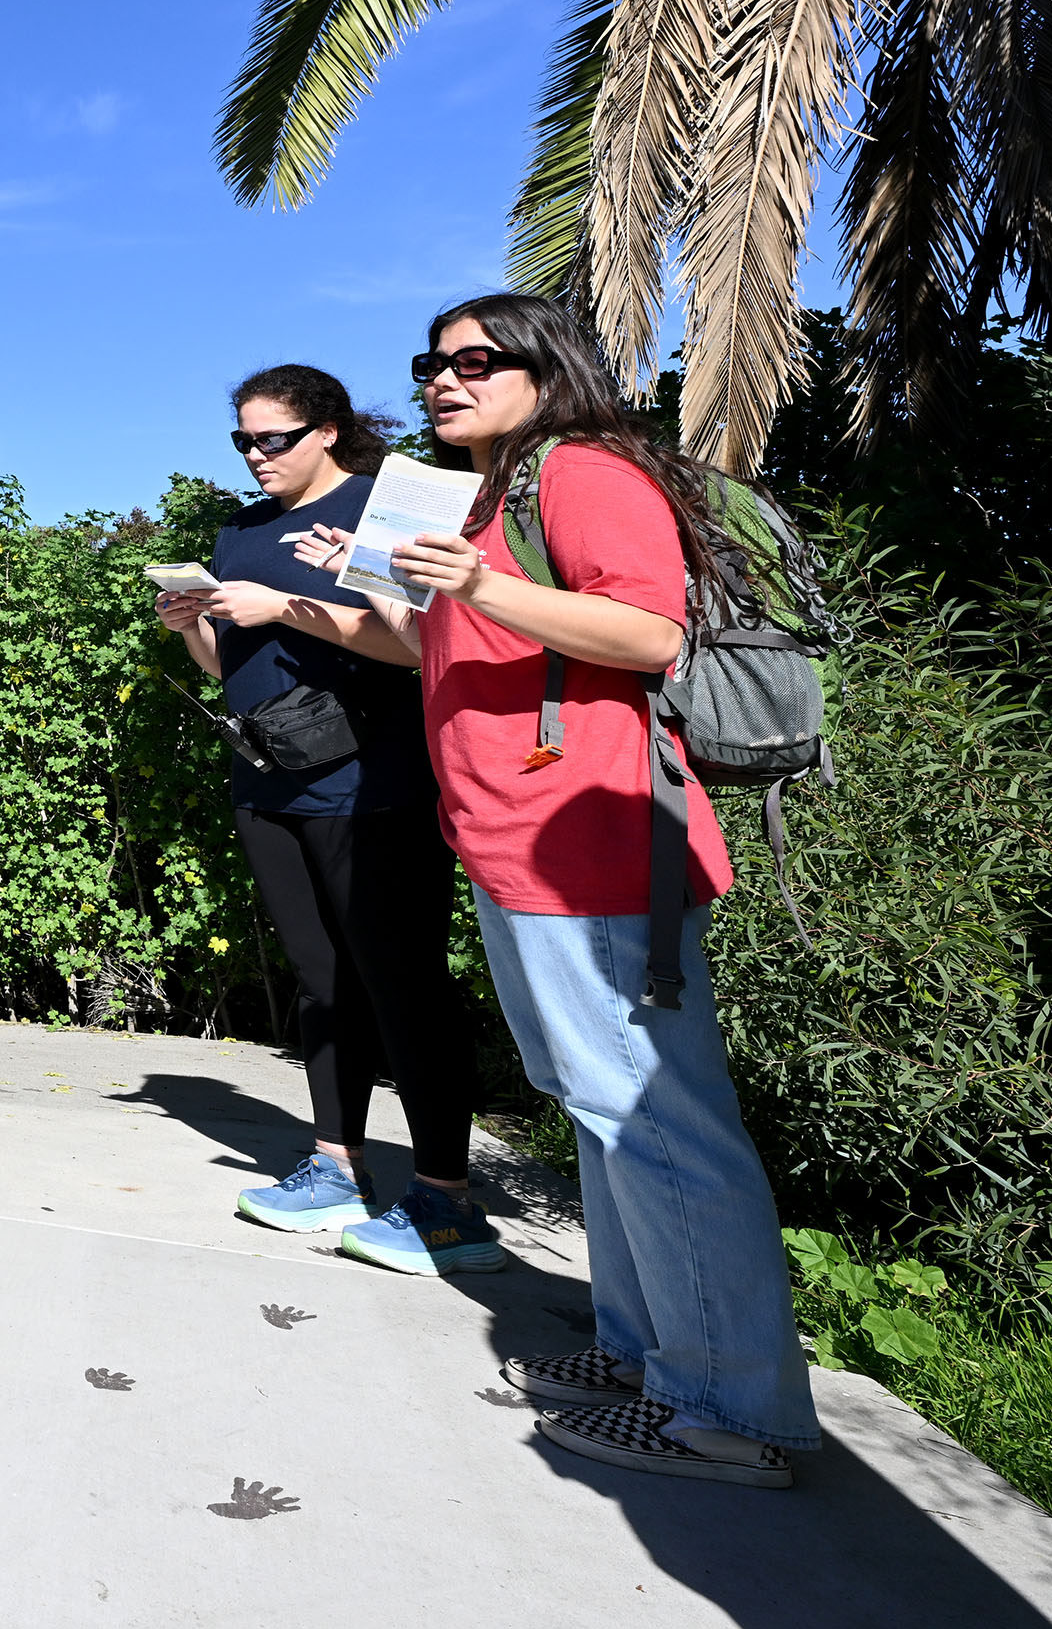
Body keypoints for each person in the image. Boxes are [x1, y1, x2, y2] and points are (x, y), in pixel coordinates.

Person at [306, 293, 817, 1488]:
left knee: (657, 1118)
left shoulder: (580, 469)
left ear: (548, 368)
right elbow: (439, 644)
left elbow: (649, 635)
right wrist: (368, 592)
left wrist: (475, 588)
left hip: (590, 847)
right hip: (511, 845)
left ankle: (727, 1414)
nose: (445, 377)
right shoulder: (474, 496)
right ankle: (647, 1353)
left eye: (477, 359)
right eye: (431, 360)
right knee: (597, 1108)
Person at [156, 366, 480, 1258]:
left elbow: (419, 649)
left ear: (327, 431)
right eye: (244, 442)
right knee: (322, 980)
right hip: (269, 778)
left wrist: (289, 609)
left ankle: (447, 1199)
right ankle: (337, 1166)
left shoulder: (391, 507)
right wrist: (192, 622)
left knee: (402, 980)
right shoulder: (241, 531)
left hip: (375, 783)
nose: (257, 456)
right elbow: (229, 669)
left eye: (274, 439)